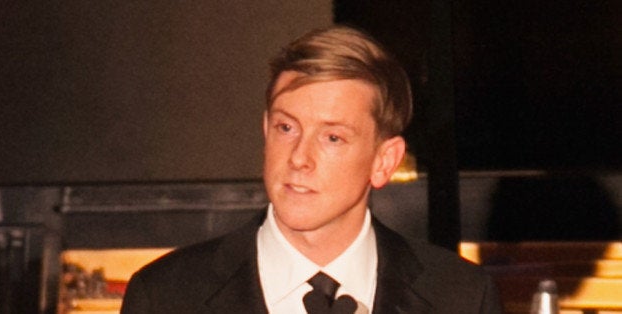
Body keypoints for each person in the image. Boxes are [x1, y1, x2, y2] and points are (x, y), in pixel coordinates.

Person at [121, 25, 502, 314]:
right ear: (266, 129)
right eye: (287, 128)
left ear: (384, 161)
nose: (299, 157)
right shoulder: (166, 296)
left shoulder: (460, 297)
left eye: (332, 137)